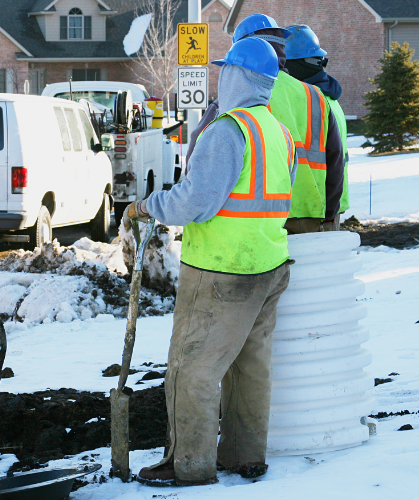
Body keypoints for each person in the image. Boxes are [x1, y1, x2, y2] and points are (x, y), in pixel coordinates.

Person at [122, 37, 298, 486]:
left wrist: (147, 206)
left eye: (226, 71)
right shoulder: (276, 131)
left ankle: (188, 465)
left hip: (223, 270)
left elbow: (194, 203)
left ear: (237, 76)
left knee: (191, 368)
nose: (220, 77)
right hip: (269, 265)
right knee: (249, 367)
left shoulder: (227, 130)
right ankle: (244, 456)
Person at [185, 14, 343, 234]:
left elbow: (198, 161)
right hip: (310, 216)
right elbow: (335, 163)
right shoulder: (316, 96)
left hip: (254, 219)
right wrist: (328, 216)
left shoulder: (235, 97)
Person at [284, 25, 348, 231]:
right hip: (328, 204)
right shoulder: (330, 97)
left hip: (312, 208)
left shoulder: (310, 101)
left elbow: (332, 157)